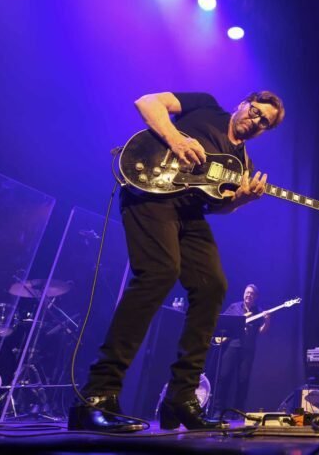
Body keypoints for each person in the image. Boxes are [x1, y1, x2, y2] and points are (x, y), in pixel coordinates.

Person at [68, 91, 285, 432]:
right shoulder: (206, 106)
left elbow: (218, 206)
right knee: (159, 272)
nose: (255, 121)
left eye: (263, 122)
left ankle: (181, 399)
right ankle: (96, 396)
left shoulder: (243, 163)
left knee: (213, 286)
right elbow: (145, 102)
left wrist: (240, 200)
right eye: (255, 111)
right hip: (152, 192)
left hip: (189, 213)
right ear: (243, 102)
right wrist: (175, 139)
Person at [213, 284, 270, 416]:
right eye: (247, 293)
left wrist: (267, 321)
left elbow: (261, 331)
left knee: (243, 380)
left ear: (256, 297)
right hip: (232, 347)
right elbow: (223, 323)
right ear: (244, 294)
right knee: (224, 377)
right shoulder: (234, 307)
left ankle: (238, 411)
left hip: (248, 350)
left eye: (252, 294)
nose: (248, 295)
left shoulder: (258, 311)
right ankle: (218, 410)